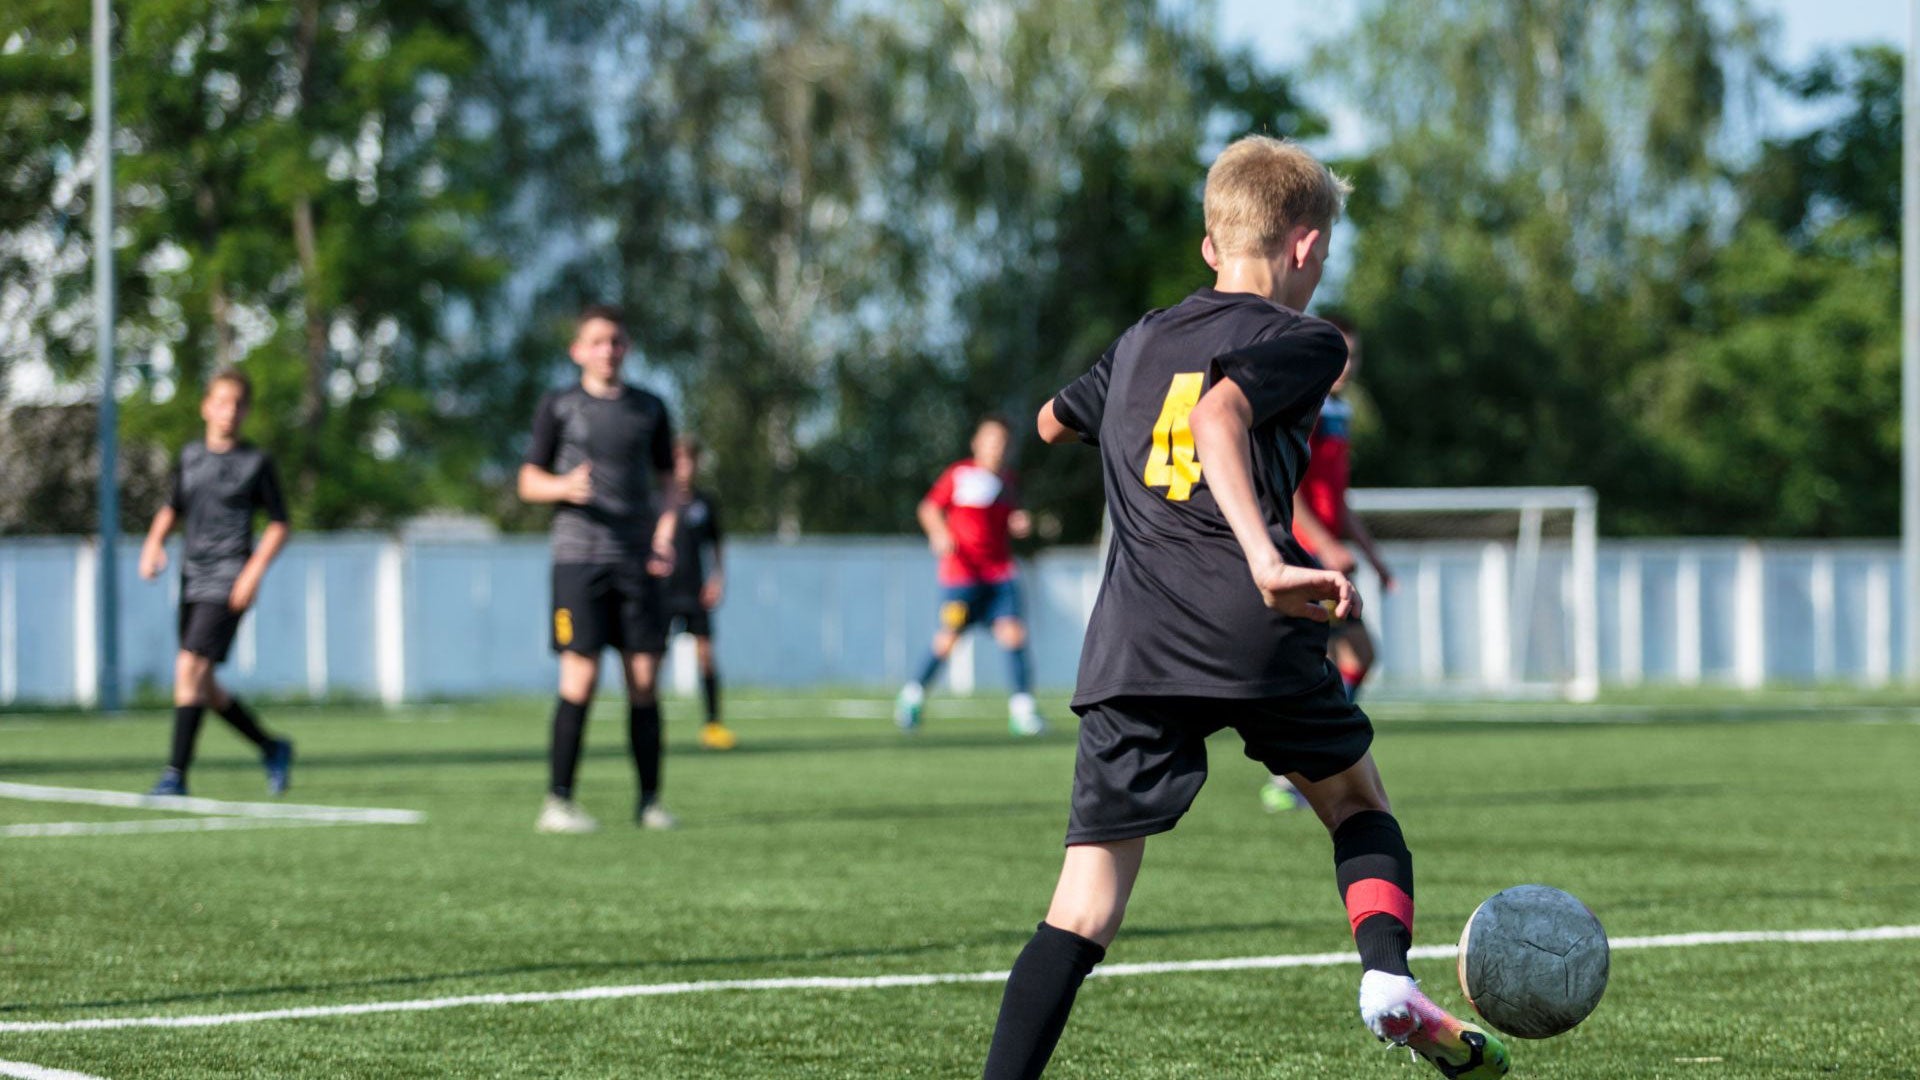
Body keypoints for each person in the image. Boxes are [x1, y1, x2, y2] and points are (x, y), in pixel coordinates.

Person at [981, 136, 1508, 1079]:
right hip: (1250, 625)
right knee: (1355, 804)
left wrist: (1116, 402)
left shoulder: (1140, 339)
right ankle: (1386, 978)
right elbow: (1216, 416)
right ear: (1304, 245)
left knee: (1083, 908)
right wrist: (1267, 558)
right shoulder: (1307, 340)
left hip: (1136, 643)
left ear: (1209, 245)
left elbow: (1055, 421)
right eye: (1324, 255)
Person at [518, 304, 681, 834]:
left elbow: (670, 483)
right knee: (580, 678)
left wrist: (664, 534)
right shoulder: (559, 405)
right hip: (579, 562)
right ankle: (558, 802)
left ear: (626, 348)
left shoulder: (650, 407)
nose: (607, 350)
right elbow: (527, 481)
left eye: (616, 341)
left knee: (644, 680)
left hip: (637, 562)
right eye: (597, 341)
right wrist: (564, 487)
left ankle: (650, 803)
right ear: (577, 351)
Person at [138, 369, 295, 798]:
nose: (230, 411)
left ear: (247, 411)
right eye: (223, 402)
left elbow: (280, 524)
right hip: (192, 577)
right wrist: (153, 544)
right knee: (202, 684)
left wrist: (253, 572)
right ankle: (272, 747)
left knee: (188, 667)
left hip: (229, 578)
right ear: (206, 407)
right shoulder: (190, 456)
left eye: (238, 404)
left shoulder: (255, 463)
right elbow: (172, 506)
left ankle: (175, 775)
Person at [1263, 313, 1397, 813]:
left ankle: (1301, 764)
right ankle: (1293, 769)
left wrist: (1373, 557)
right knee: (1341, 658)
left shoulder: (1339, 412)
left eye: (1353, 356)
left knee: (1347, 659)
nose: (1346, 365)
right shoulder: (1307, 407)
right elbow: (1291, 487)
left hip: (1327, 554)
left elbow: (1337, 499)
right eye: (1338, 353)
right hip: (1302, 553)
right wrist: (1323, 545)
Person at [894, 416, 1046, 737]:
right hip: (962, 577)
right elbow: (928, 508)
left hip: (1000, 575)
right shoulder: (959, 474)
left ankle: (1023, 711)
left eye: (1002, 442)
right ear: (976, 443)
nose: (996, 447)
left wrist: (1020, 523)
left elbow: (1010, 518)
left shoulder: (1008, 481)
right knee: (949, 638)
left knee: (1014, 634)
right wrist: (939, 533)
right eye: (990, 440)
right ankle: (912, 696)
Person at [662, 436, 734, 751]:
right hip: (662, 592)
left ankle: (713, 725)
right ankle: (653, 726)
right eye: (679, 460)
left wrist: (717, 578)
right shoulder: (659, 500)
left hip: (695, 592)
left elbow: (716, 544)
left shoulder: (705, 503)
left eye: (689, 460)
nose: (685, 467)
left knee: (706, 656)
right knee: (652, 660)